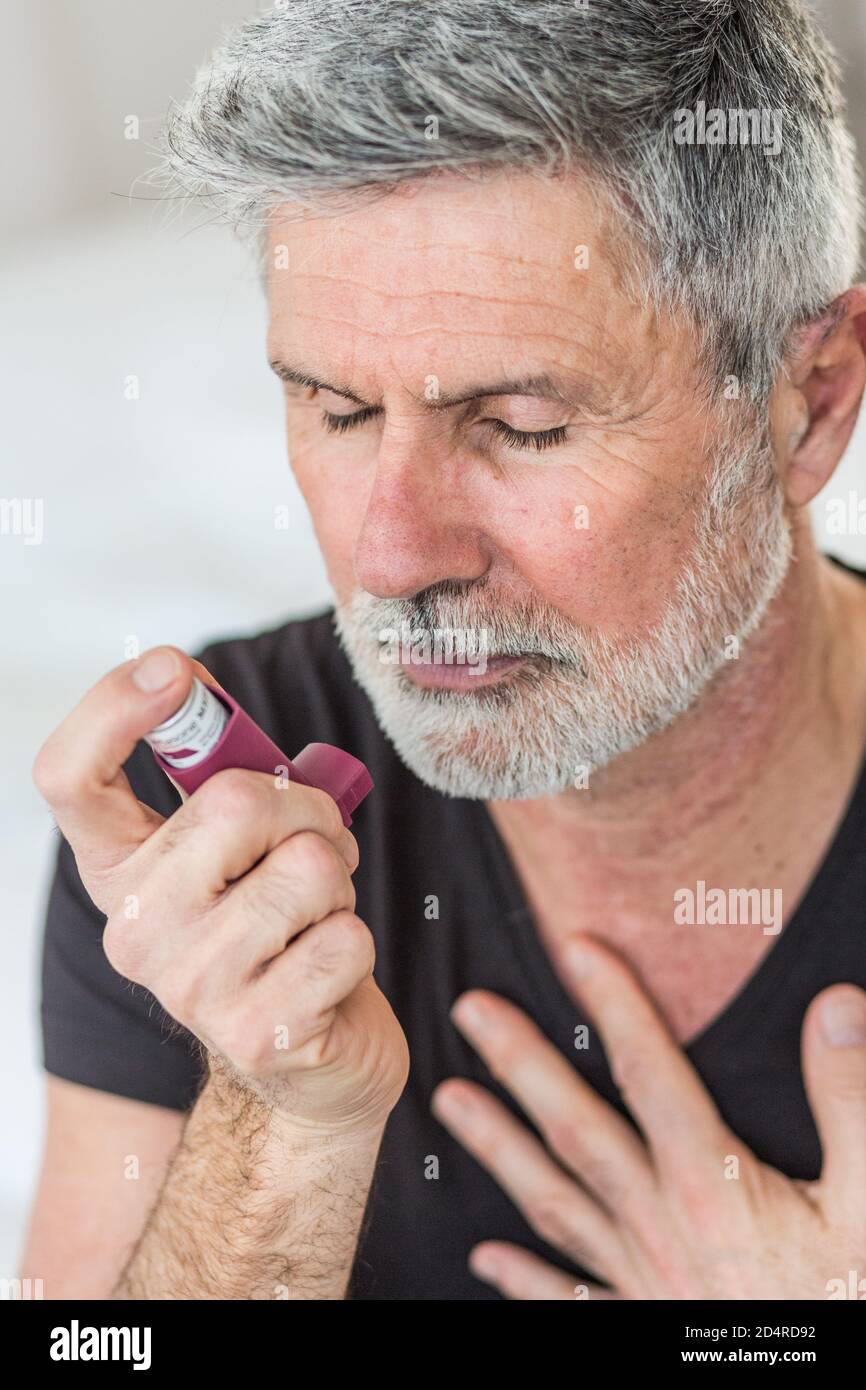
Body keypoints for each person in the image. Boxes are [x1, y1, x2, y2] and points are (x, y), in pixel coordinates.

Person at [22, 0, 866, 1300]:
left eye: (522, 424)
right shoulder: (205, 811)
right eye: (338, 409)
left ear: (805, 406)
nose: (392, 557)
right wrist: (280, 1120)